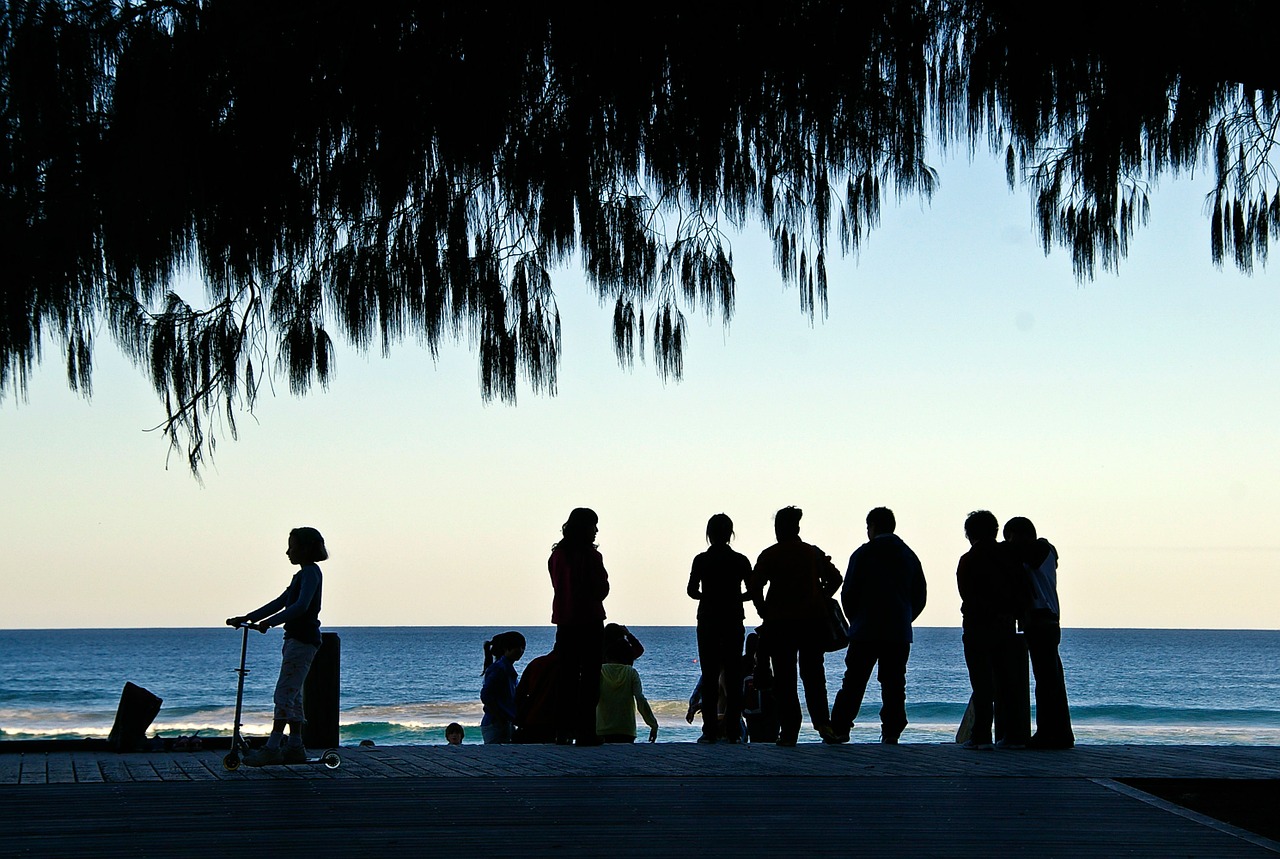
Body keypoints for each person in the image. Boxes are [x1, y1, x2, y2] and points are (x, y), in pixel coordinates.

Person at [225, 526, 327, 766]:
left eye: (292, 547)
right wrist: (248, 617)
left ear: (305, 549)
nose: (287, 552)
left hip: (302, 640)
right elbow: (281, 602)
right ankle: (295, 746)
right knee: (292, 696)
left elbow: (301, 606)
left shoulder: (311, 573)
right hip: (295, 639)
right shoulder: (302, 575)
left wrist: (269, 623)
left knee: (283, 694)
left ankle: (272, 748)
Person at [829, 507, 927, 744]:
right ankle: (892, 731)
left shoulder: (863, 554)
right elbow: (920, 594)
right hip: (898, 630)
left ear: (871, 527)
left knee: (853, 681)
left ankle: (841, 728)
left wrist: (857, 620)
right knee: (894, 683)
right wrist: (905, 617)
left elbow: (848, 592)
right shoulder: (908, 555)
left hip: (865, 629)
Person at [749, 506, 843, 745]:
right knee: (814, 677)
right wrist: (821, 597)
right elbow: (836, 578)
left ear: (779, 529)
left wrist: (763, 610)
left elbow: (754, 587)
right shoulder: (812, 553)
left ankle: (790, 730)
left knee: (784, 680)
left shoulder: (770, 555)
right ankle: (823, 725)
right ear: (797, 528)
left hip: (780, 625)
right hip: (812, 624)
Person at [956, 510, 1026, 750]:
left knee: (982, 684)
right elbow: (1021, 590)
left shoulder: (968, 560)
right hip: (1004, 626)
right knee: (1007, 682)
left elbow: (966, 593)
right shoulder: (1009, 558)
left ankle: (982, 735)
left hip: (977, 626)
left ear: (969, 534)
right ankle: (1014, 735)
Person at [1004, 516, 1075, 749]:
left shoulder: (1041, 550)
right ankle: (1060, 732)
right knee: (1051, 680)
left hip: (1042, 619)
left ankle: (1048, 733)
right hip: (1045, 620)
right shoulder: (1040, 553)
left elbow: (1023, 556)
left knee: (1046, 681)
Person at [687, 512, 752, 743]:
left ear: (709, 534)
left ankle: (710, 730)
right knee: (734, 676)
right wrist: (735, 598)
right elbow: (754, 591)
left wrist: (710, 596)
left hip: (707, 619)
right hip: (733, 619)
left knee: (710, 674)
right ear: (730, 534)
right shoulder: (741, 560)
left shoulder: (701, 560)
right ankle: (733, 730)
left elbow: (692, 591)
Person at [548, 507, 610, 745]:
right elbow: (601, 589)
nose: (596, 531)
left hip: (564, 622)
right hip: (590, 621)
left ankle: (562, 731)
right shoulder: (592, 556)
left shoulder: (557, 556)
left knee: (567, 678)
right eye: (593, 526)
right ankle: (586, 731)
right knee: (590, 679)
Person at [596, 637, 660, 743]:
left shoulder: (600, 671)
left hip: (601, 729)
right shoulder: (631, 673)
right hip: (626, 729)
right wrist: (653, 724)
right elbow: (640, 699)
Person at [480, 630, 526, 744]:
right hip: (495, 723)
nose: (521, 651)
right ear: (506, 649)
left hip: (503, 722)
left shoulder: (505, 668)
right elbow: (486, 695)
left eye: (523, 647)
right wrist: (499, 716)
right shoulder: (499, 668)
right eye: (517, 647)